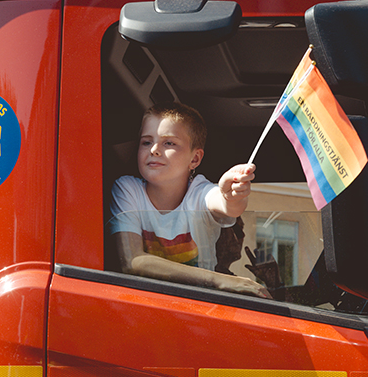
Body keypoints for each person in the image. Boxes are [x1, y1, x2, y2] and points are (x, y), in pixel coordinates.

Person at [108, 102, 270, 298]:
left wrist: (231, 195)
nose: (154, 150)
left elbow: (223, 202)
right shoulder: (128, 189)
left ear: (195, 159)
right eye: (146, 142)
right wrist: (220, 280)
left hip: (198, 308)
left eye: (169, 143)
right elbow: (132, 260)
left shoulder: (199, 193)